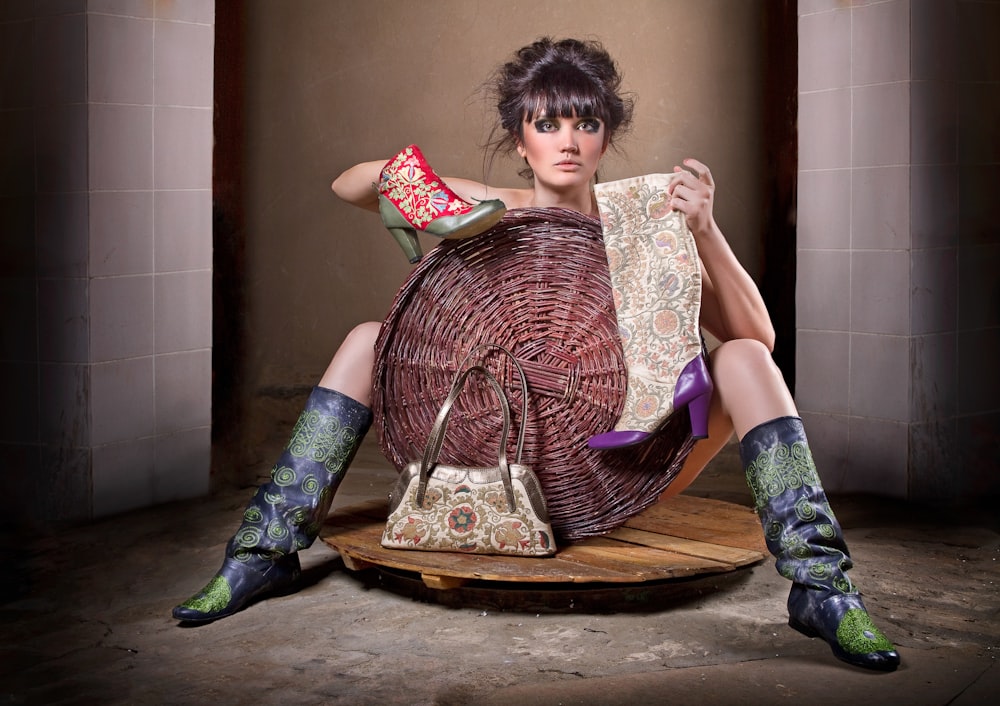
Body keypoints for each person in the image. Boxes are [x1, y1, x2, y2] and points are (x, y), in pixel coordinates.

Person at [172, 37, 900, 672]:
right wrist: (435, 201)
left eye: (586, 121)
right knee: (369, 338)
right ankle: (262, 554)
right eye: (547, 122)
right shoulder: (491, 207)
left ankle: (822, 589)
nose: (568, 138)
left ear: (606, 136)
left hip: (626, 466)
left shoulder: (642, 222)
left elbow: (759, 341)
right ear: (520, 139)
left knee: (742, 360)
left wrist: (706, 230)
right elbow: (351, 183)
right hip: (501, 468)